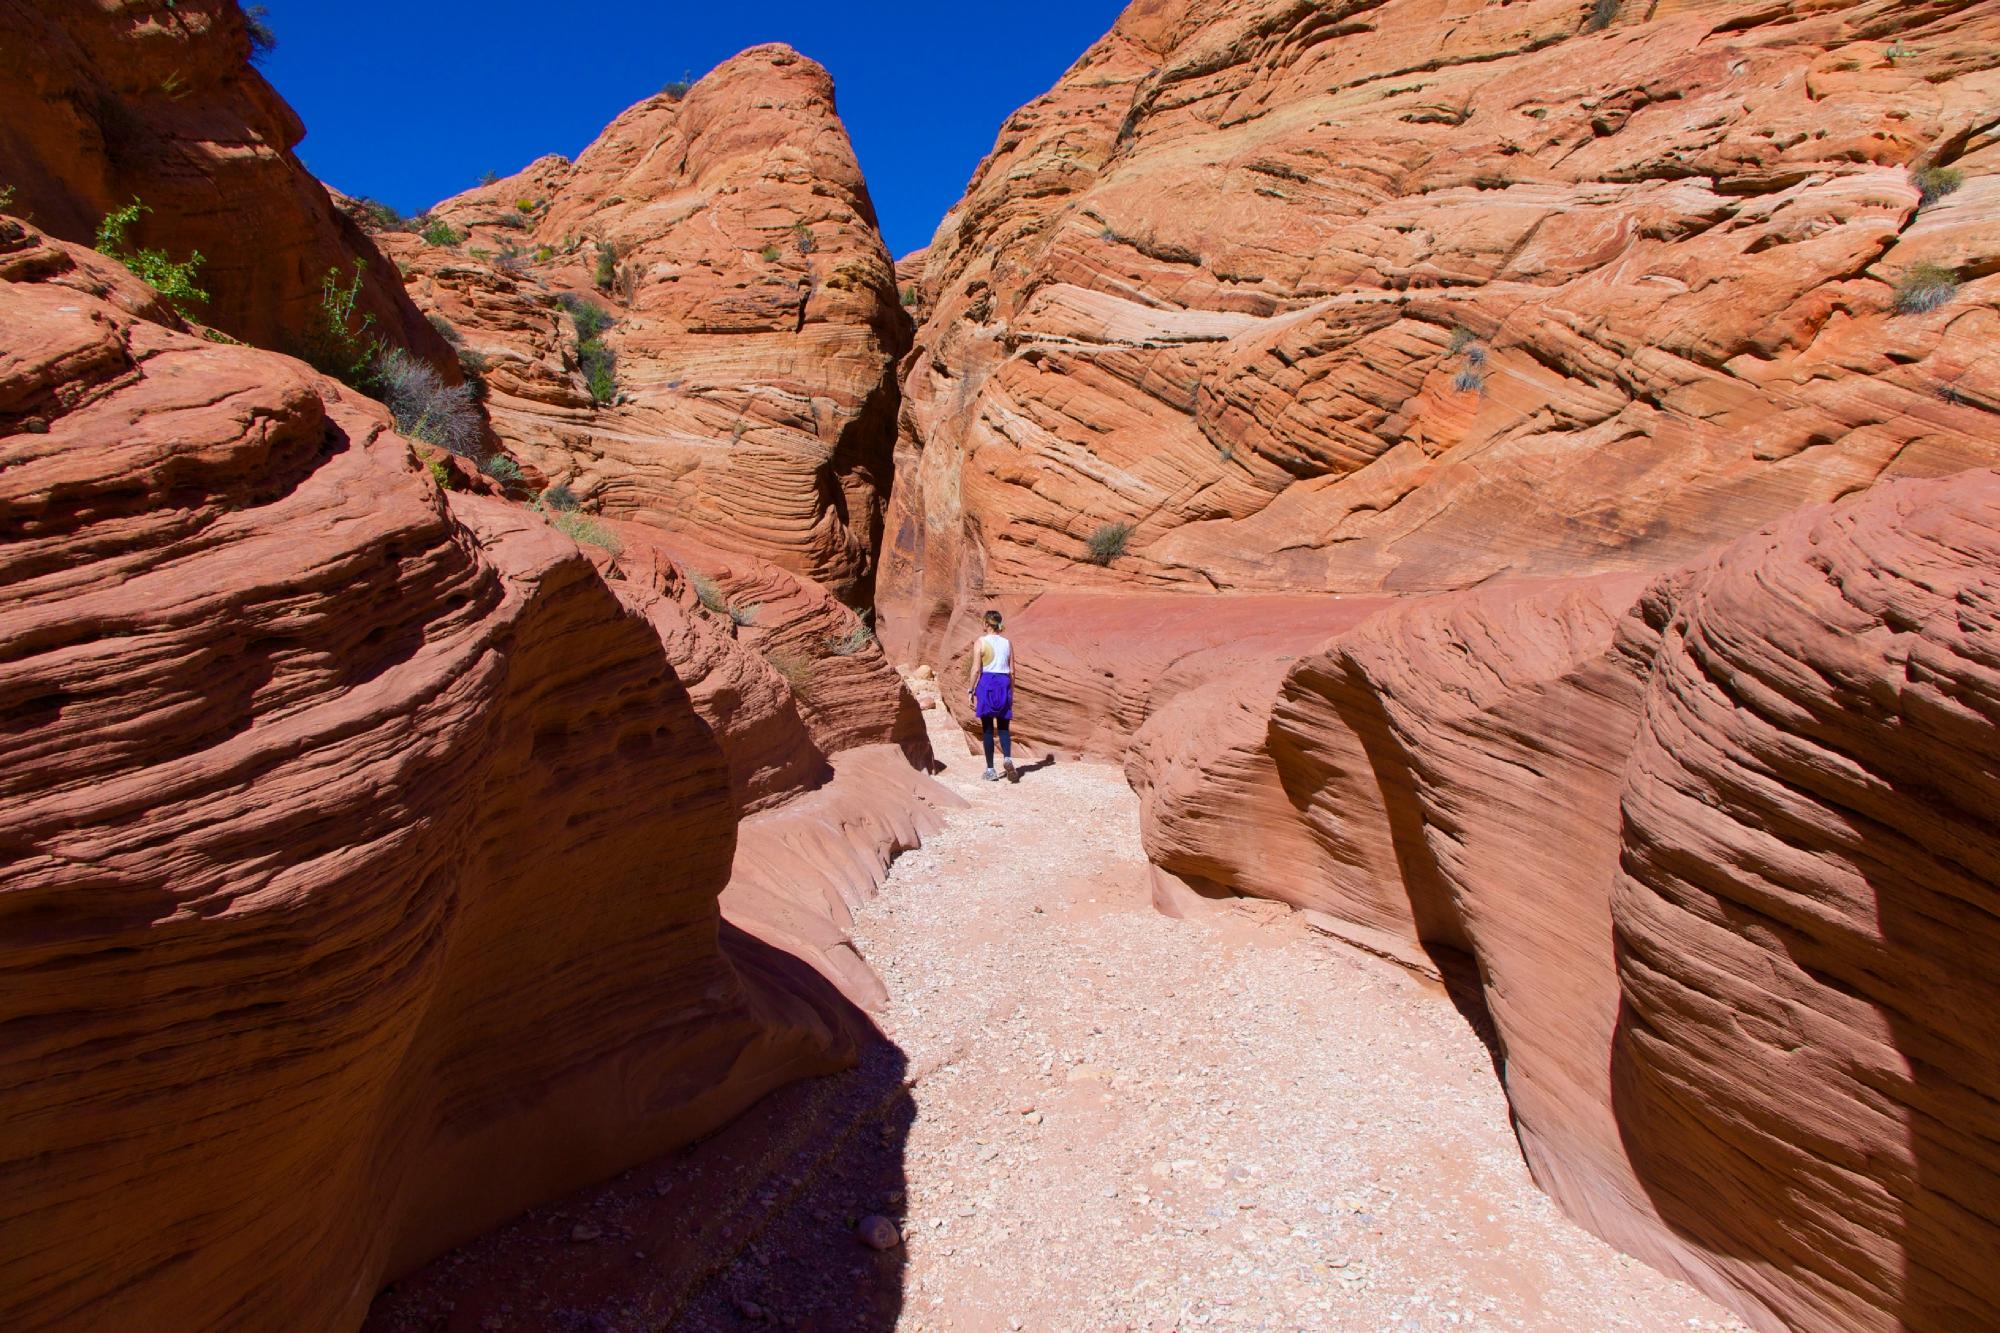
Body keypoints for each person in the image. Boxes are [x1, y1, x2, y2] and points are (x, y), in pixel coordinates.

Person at [967, 609, 1014, 781]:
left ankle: (990, 770)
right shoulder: (1007, 643)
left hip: (987, 683)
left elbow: (976, 669)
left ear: (986, 624)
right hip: (1004, 683)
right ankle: (1007, 758)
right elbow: (1013, 671)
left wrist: (971, 690)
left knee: (987, 729)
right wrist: (1011, 692)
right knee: (1003, 727)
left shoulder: (980, 642)